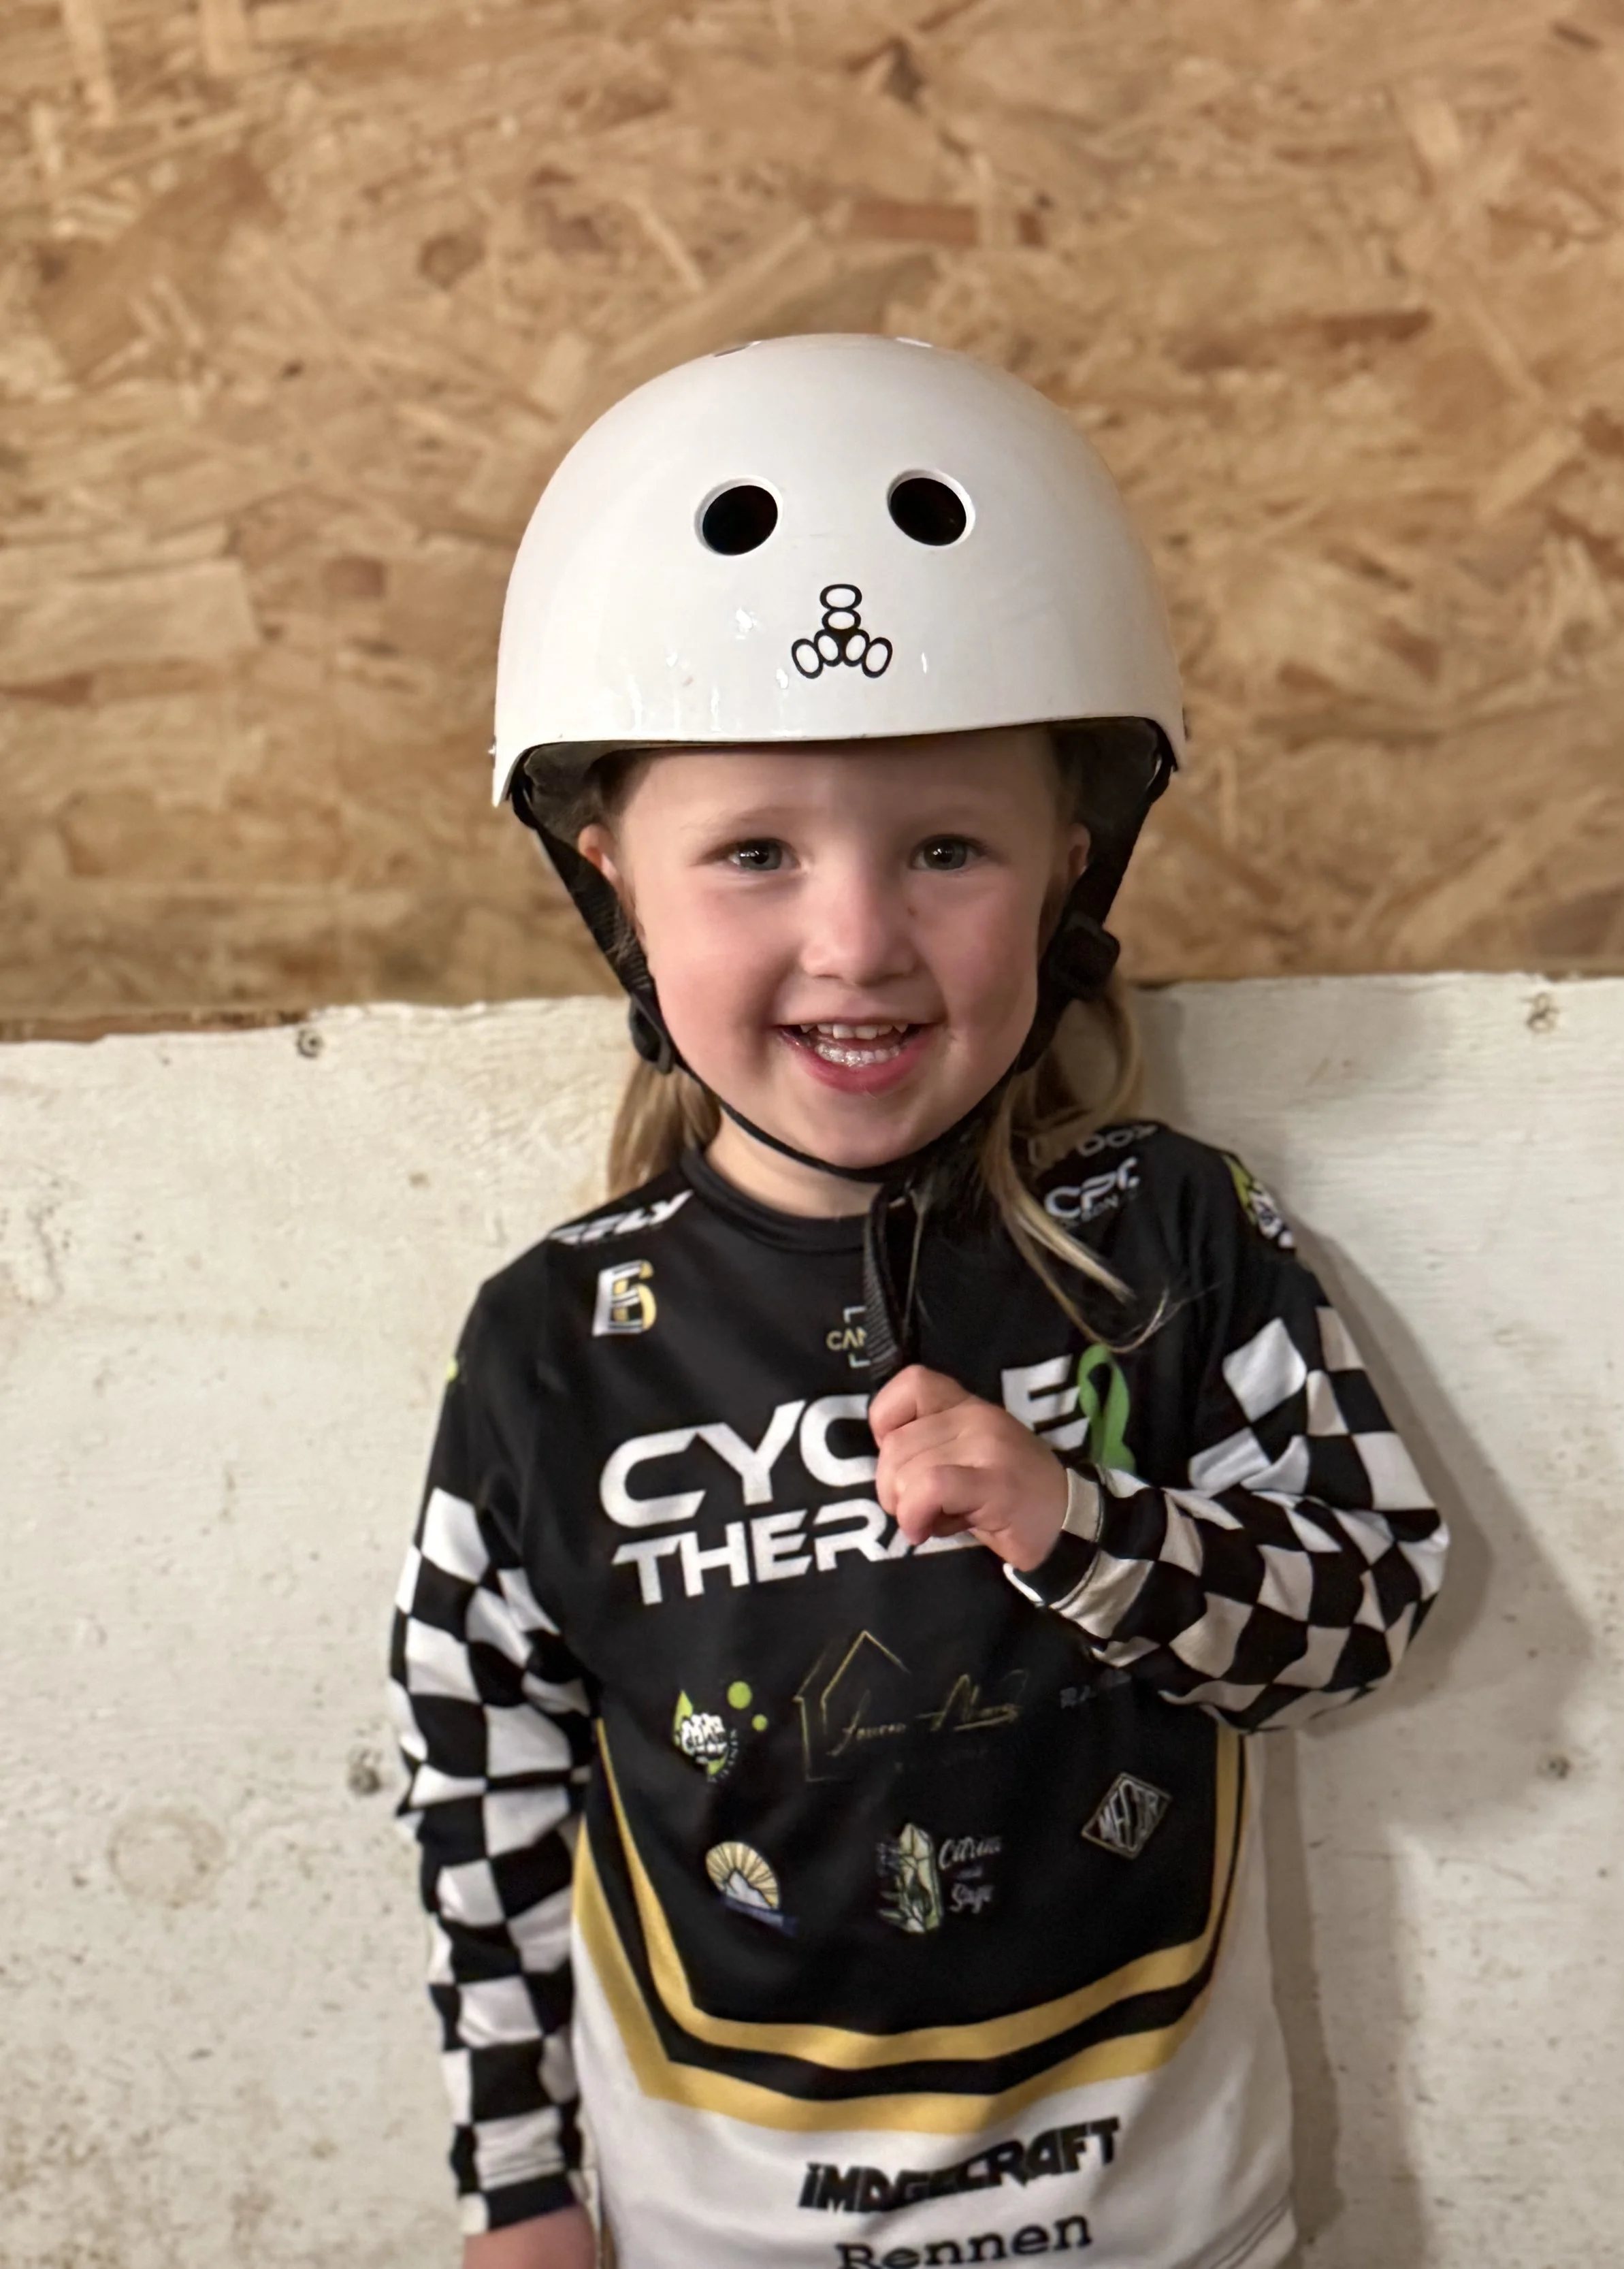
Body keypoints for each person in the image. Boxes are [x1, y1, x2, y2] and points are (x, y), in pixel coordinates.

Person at [389, 334, 1447, 2269]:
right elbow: (479, 1782)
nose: (854, 941)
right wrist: (520, 2193)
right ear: (613, 878)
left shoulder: (1170, 1232)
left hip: (1163, 2233)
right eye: (754, 855)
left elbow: (1359, 1613)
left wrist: (1076, 1521)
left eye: (943, 845)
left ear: (1069, 862)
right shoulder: (555, 1337)